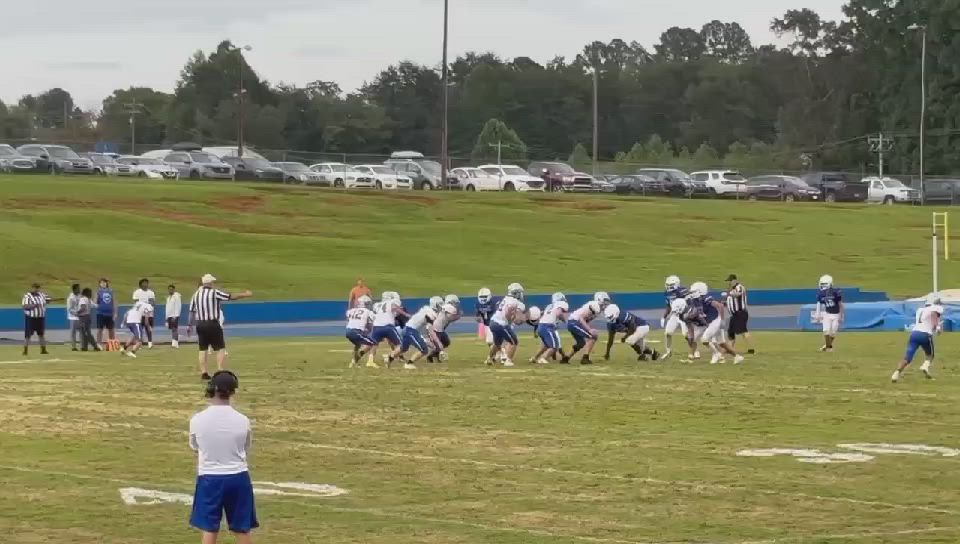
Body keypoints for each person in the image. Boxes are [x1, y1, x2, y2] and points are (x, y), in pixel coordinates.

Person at [189, 371, 258, 544]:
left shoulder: (197, 420)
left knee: (209, 528)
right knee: (242, 529)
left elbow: (195, 447)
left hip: (209, 478)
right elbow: (246, 447)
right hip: (238, 477)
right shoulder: (243, 420)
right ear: (233, 392)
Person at [188, 274, 253, 380]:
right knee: (220, 348)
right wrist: (245, 294)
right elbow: (230, 297)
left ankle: (204, 372)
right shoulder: (214, 292)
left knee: (202, 349)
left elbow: (191, 311)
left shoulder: (196, 294)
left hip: (200, 323)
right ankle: (219, 369)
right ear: (210, 283)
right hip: (212, 323)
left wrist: (190, 325)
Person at [690, 282, 744, 365]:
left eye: (694, 292)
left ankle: (716, 354)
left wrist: (722, 320)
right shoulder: (696, 300)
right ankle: (737, 357)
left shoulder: (706, 299)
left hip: (715, 320)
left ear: (700, 291)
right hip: (710, 322)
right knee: (722, 343)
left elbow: (720, 306)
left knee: (704, 339)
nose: (692, 294)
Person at [892, 298, 943, 382]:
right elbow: (934, 313)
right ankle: (925, 367)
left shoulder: (920, 310)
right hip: (925, 334)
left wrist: (935, 325)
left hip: (914, 334)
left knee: (907, 358)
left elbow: (928, 320)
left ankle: (896, 374)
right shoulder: (933, 309)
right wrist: (937, 327)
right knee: (930, 355)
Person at [564, 292, 610, 365]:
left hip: (574, 322)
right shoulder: (595, 306)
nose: (606, 303)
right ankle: (585, 358)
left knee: (581, 343)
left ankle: (565, 359)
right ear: (599, 299)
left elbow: (585, 320)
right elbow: (581, 318)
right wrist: (589, 329)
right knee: (593, 336)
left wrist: (589, 329)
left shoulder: (597, 309)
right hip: (574, 322)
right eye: (605, 300)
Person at [397, 297, 444, 369]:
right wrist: (437, 343)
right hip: (410, 329)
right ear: (435, 304)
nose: (441, 306)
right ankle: (409, 363)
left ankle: (389, 358)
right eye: (440, 304)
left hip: (408, 328)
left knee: (403, 348)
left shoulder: (426, 308)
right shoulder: (431, 313)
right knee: (424, 349)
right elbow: (430, 330)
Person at [485, 283, 525, 367]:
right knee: (514, 341)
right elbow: (511, 313)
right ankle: (508, 360)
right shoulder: (516, 302)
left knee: (497, 343)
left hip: (493, 322)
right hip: (501, 323)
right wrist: (516, 319)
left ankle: (489, 358)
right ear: (516, 293)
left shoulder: (506, 298)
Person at [368, 292, 407, 367]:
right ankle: (391, 357)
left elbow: (374, 315)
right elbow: (395, 309)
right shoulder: (391, 303)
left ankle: (370, 360)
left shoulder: (376, 305)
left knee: (374, 344)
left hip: (377, 326)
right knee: (400, 345)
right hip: (388, 326)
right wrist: (405, 314)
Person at [530, 296, 569, 365]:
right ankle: (543, 358)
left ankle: (534, 358)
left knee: (546, 345)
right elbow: (559, 313)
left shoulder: (549, 306)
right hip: (548, 327)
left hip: (541, 325)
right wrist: (564, 320)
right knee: (555, 346)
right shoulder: (561, 305)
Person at [22, 283, 55, 356]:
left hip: (40, 318)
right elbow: (25, 306)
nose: (36, 289)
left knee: (41, 334)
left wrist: (51, 300)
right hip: (31, 318)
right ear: (32, 288)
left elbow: (48, 300)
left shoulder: (42, 295)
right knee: (28, 335)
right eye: (35, 288)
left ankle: (43, 349)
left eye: (37, 288)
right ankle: (25, 350)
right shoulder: (27, 296)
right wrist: (34, 305)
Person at [725, 274, 754, 354]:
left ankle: (751, 349)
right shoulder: (731, 289)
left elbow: (738, 294)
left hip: (740, 313)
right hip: (734, 315)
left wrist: (729, 294)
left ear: (735, 280)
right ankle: (730, 349)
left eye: (730, 281)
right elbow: (730, 301)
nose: (729, 283)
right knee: (730, 332)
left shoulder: (740, 287)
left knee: (743, 331)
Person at [427, 295, 462, 363]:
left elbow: (448, 318)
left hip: (439, 329)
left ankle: (434, 355)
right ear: (452, 301)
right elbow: (450, 318)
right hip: (436, 329)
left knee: (446, 342)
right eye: (456, 302)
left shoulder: (446, 307)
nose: (457, 304)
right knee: (439, 345)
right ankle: (431, 356)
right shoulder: (450, 307)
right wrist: (459, 316)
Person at [345, 295, 377, 368]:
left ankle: (353, 362)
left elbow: (350, 320)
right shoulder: (368, 312)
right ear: (364, 303)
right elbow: (371, 324)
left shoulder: (351, 311)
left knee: (357, 345)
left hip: (348, 331)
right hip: (356, 332)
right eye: (368, 303)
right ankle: (370, 362)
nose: (369, 305)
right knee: (374, 343)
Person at [661, 276, 689, 360]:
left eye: (671, 285)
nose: (669, 286)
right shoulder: (667, 292)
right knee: (668, 333)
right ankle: (668, 352)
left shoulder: (683, 291)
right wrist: (663, 317)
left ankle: (694, 350)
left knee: (686, 334)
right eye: (668, 285)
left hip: (684, 314)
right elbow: (668, 306)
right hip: (674, 314)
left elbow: (690, 303)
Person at [814, 274, 844, 352]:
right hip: (827, 313)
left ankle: (826, 346)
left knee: (833, 333)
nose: (823, 286)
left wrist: (841, 315)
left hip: (836, 314)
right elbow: (818, 303)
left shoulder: (835, 292)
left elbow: (840, 304)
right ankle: (829, 347)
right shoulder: (821, 294)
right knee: (826, 331)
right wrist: (818, 313)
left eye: (824, 284)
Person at [133, 278, 157, 348]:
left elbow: (152, 302)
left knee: (148, 328)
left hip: (149, 313)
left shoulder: (151, 292)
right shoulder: (137, 292)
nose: (145, 284)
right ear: (141, 284)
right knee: (139, 329)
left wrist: (146, 307)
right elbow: (136, 303)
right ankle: (139, 343)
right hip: (139, 314)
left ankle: (150, 343)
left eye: (146, 283)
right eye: (144, 283)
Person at [96, 278, 118, 346]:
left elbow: (114, 302)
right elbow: (95, 302)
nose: (103, 284)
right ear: (99, 284)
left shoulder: (111, 291)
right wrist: (96, 299)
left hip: (110, 314)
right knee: (100, 329)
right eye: (102, 283)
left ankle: (112, 344)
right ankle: (99, 344)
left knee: (111, 329)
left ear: (107, 283)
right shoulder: (98, 292)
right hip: (100, 313)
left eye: (104, 282)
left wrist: (115, 313)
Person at [166, 284, 182, 349]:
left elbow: (178, 306)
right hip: (169, 315)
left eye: (171, 289)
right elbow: (167, 308)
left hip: (174, 315)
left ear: (174, 289)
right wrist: (166, 317)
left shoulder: (176, 297)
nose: (170, 290)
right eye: (169, 289)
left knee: (175, 329)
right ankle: (173, 343)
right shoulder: (168, 298)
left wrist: (175, 316)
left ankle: (176, 344)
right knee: (172, 329)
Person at [67, 283, 81, 351]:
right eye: (78, 288)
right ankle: (74, 347)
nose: (79, 289)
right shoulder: (70, 298)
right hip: (73, 317)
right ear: (75, 289)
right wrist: (76, 313)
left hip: (80, 317)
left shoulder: (80, 296)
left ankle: (83, 346)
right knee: (73, 332)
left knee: (82, 331)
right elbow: (69, 309)